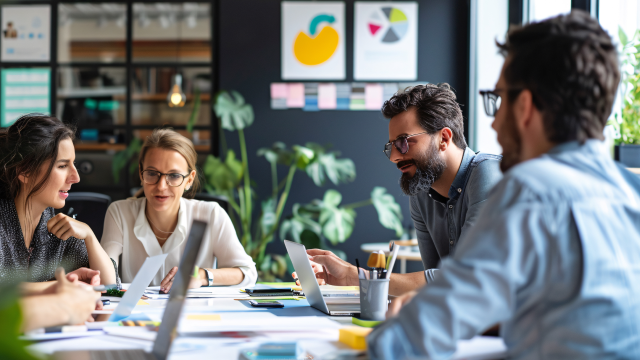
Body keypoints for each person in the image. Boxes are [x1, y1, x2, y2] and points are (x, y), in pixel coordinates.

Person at [367, 10, 640, 360]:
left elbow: (407, 340)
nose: (494, 125)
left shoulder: (530, 191)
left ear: (524, 106)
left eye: (498, 101)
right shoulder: (629, 191)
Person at [293, 84, 502, 296]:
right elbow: (437, 282)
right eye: (391, 146)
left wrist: (353, 276)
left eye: (403, 142)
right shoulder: (421, 193)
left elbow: (464, 280)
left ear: (444, 139)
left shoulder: (489, 176)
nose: (394, 157)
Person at [101, 129, 257, 291]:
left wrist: (202, 276)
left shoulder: (211, 214)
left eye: (174, 176)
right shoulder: (119, 213)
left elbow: (248, 273)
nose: (161, 186)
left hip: (193, 315)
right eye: (152, 173)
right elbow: (104, 275)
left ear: (189, 180)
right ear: (141, 174)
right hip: (134, 314)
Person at [0, 115, 117, 285]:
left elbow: (109, 285)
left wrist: (89, 236)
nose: (75, 177)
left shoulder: (57, 231)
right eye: (62, 166)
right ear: (25, 171)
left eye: (73, 164)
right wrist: (57, 285)